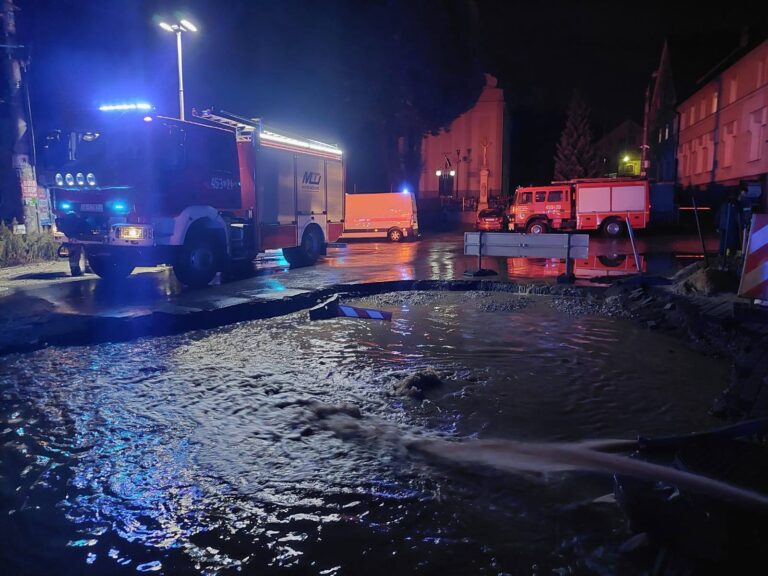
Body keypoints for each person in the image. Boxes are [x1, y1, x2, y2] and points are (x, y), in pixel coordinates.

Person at [716, 192, 743, 270]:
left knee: (723, 243)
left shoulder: (723, 205)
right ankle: (727, 260)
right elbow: (738, 218)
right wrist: (741, 226)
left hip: (723, 227)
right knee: (730, 244)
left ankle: (722, 259)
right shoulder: (736, 206)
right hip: (731, 228)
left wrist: (717, 226)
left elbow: (718, 215)